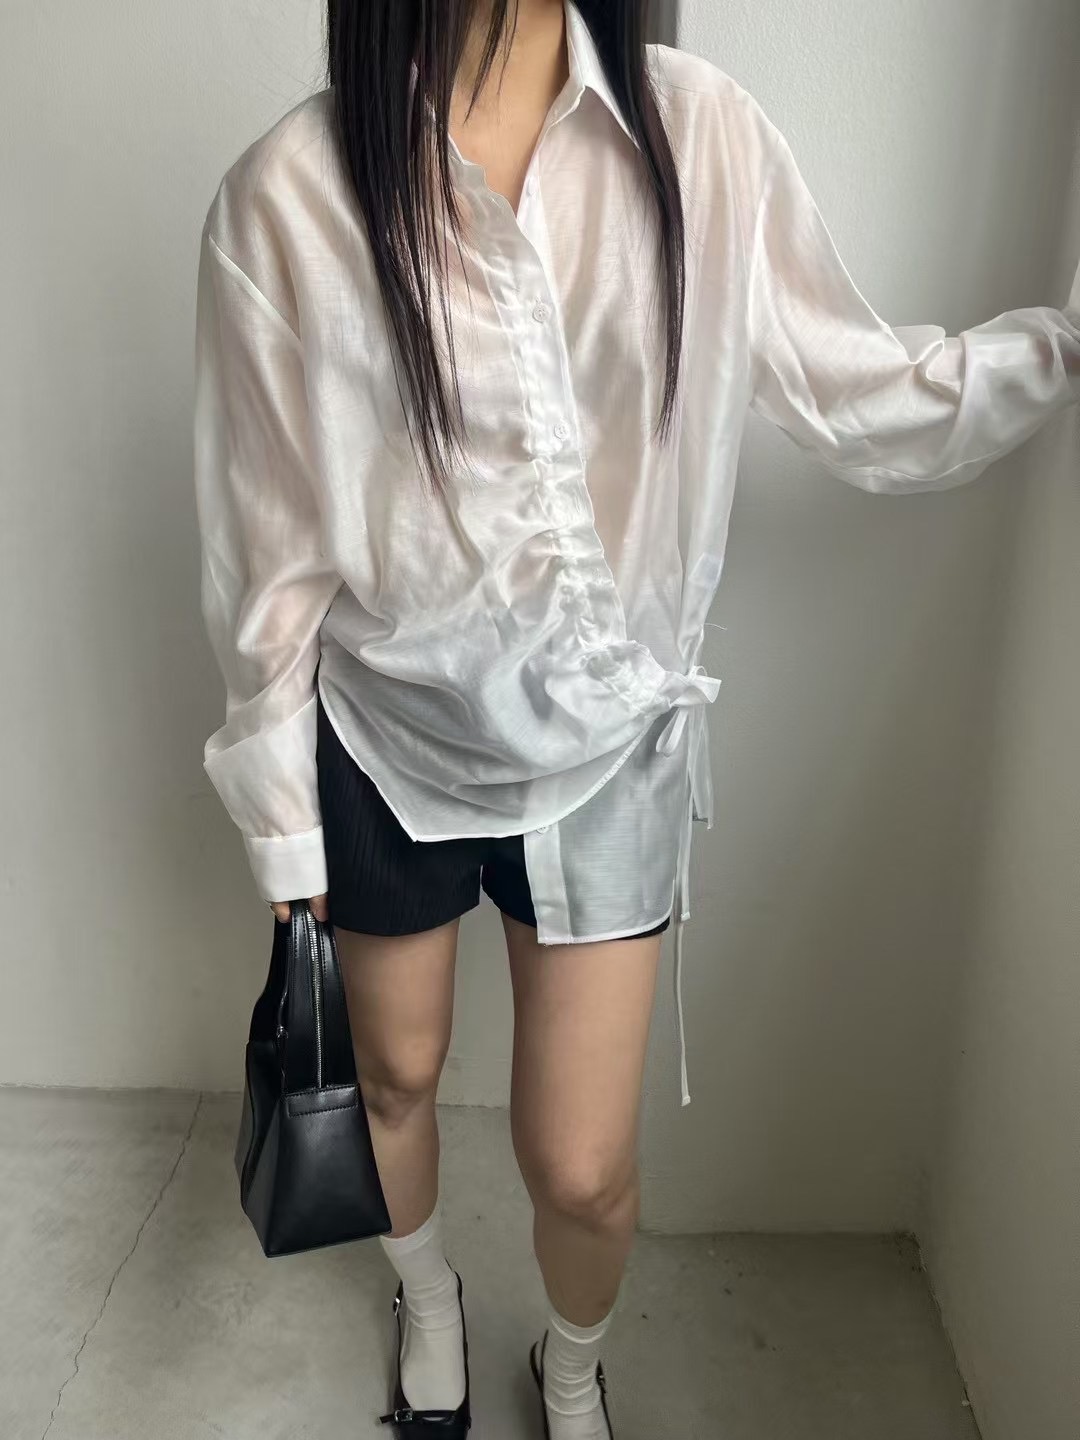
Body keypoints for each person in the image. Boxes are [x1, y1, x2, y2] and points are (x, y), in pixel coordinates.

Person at [192, 1, 1080, 1435]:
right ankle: (427, 1297)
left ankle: (572, 1362)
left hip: (607, 748)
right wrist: (285, 832)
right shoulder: (286, 196)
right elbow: (267, 549)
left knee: (584, 1164)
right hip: (384, 737)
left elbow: (857, 387)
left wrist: (1060, 347)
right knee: (394, 1076)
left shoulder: (697, 134)